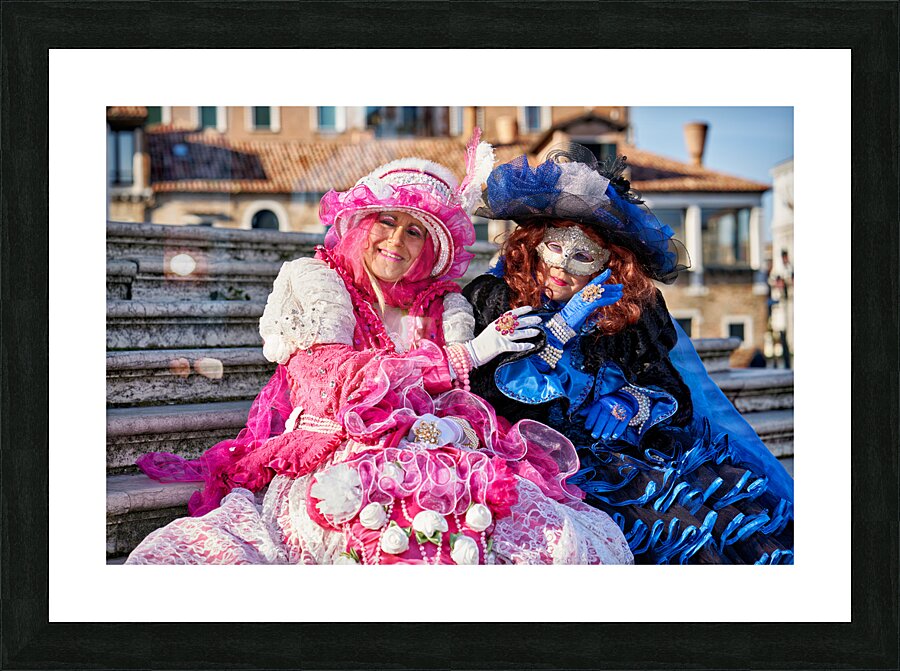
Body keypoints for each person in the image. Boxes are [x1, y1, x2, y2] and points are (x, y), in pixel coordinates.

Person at [126, 133, 633, 565]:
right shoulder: (317, 282)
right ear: (362, 225)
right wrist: (467, 357)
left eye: (415, 231)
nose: (397, 241)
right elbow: (329, 383)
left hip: (431, 452)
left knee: (533, 534)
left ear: (432, 248)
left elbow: (452, 401)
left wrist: (454, 414)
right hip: (332, 452)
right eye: (386, 222)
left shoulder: (447, 307)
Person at [461, 145, 794, 565]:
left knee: (706, 512)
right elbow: (494, 393)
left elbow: (668, 384)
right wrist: (564, 325)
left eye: (583, 255)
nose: (563, 266)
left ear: (609, 265)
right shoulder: (496, 300)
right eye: (554, 248)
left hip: (627, 451)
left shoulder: (629, 313)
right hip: (547, 460)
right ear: (533, 246)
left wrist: (627, 403)